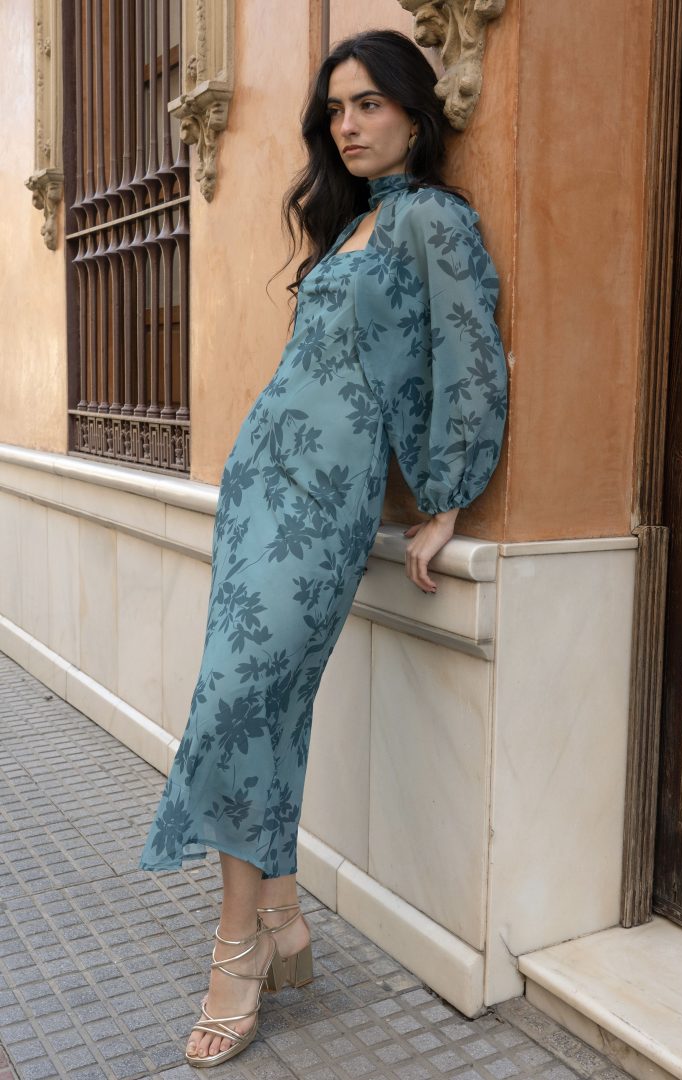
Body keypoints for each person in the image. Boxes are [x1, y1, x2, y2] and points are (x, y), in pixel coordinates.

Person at [138, 27, 508, 1068]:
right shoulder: (350, 226)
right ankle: (282, 912)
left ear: (415, 114)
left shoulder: (433, 220)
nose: (347, 126)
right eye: (335, 110)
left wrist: (447, 499)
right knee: (261, 703)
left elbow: (471, 355)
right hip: (259, 489)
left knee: (237, 701)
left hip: (325, 508)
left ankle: (239, 951)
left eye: (368, 104)